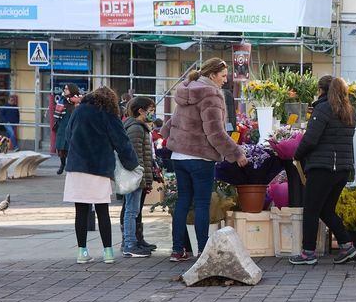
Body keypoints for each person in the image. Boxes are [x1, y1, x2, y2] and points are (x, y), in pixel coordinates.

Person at [161, 58, 247, 262]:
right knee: (201, 204)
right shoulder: (211, 96)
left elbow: (174, 120)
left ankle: (177, 250)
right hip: (200, 156)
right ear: (212, 75)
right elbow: (215, 132)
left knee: (182, 202)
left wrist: (166, 134)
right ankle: (202, 251)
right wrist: (236, 153)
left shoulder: (187, 89)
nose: (226, 81)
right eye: (223, 76)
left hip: (179, 155)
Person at [62, 86, 140, 264]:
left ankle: (82, 252)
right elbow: (121, 142)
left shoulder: (79, 110)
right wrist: (133, 165)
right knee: (102, 210)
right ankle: (108, 253)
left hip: (77, 167)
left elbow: (68, 135)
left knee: (80, 211)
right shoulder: (109, 114)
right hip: (99, 168)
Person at [289, 75, 356, 265]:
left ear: (321, 90)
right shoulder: (349, 111)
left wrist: (296, 154)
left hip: (322, 167)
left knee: (311, 209)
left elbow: (311, 139)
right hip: (342, 168)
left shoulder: (323, 109)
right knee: (326, 209)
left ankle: (307, 253)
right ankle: (346, 245)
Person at [121, 97, 157, 258]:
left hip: (138, 175)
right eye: (151, 110)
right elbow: (136, 157)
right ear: (140, 111)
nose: (153, 114)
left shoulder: (140, 127)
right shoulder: (136, 128)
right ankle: (130, 244)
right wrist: (141, 178)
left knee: (133, 210)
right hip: (135, 176)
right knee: (131, 210)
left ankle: (135, 241)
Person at [54, 84, 82, 174]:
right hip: (63, 126)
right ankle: (62, 164)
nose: (65, 90)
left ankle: (72, 166)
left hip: (75, 126)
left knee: (73, 148)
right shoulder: (62, 100)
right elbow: (57, 114)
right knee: (62, 148)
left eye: (67, 89)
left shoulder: (79, 100)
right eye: (64, 89)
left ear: (72, 90)